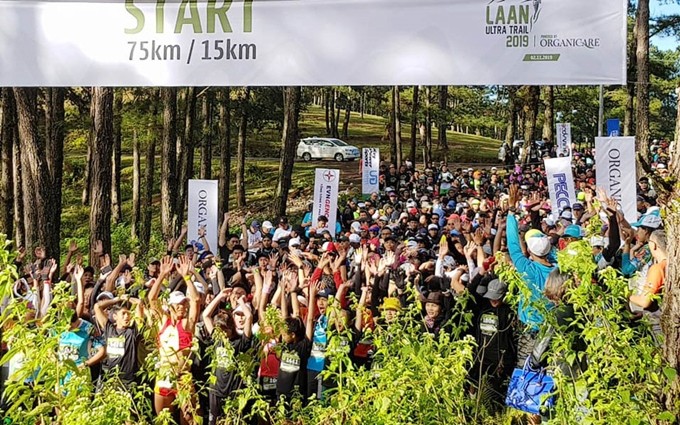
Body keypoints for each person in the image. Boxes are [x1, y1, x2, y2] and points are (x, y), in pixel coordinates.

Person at [147, 255, 201, 424]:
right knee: (164, 421)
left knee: (189, 420)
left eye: (184, 304)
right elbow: (151, 299)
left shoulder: (187, 324)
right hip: (164, 376)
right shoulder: (163, 321)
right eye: (178, 304)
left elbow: (196, 300)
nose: (182, 307)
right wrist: (162, 275)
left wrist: (187, 277)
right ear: (170, 306)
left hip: (183, 378)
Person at [202, 288, 253, 425]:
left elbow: (249, 317)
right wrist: (219, 296)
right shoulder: (217, 339)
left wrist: (241, 302)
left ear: (231, 328)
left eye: (225, 329)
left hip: (233, 392)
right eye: (219, 330)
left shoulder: (240, 343)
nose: (222, 333)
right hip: (216, 390)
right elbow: (206, 315)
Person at [93, 294, 143, 391]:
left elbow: (139, 303)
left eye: (128, 314)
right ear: (115, 316)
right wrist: (116, 299)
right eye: (123, 313)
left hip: (128, 382)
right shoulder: (109, 329)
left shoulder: (132, 331)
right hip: (110, 380)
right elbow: (97, 307)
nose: (127, 317)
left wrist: (128, 298)